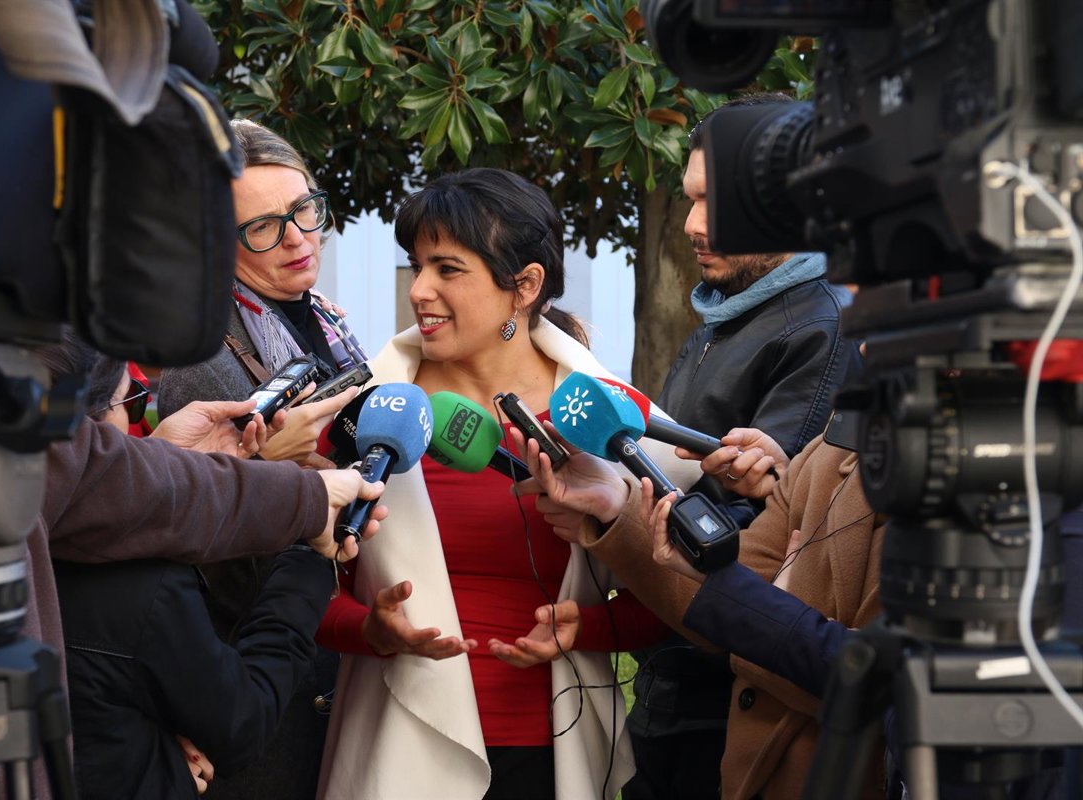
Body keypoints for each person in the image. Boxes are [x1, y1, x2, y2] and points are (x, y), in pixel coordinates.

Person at [314, 168, 698, 800]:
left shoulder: (606, 416)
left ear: (526, 285)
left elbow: (677, 594)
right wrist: (367, 630)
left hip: (553, 756)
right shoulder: (364, 411)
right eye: (418, 265)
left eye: (448, 269)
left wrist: (588, 628)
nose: (420, 289)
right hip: (395, 753)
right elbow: (296, 591)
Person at [627, 93, 862, 800]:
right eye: (691, 198)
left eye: (719, 204)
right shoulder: (727, 312)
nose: (693, 225)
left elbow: (771, 538)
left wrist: (624, 511)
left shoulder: (821, 326)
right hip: (675, 674)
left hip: (731, 701)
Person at [508, 411, 887, 800]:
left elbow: (873, 684)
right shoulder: (830, 448)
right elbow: (723, 606)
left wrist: (754, 621)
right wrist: (616, 505)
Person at [156, 119, 368, 799]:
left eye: (304, 210)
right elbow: (193, 553)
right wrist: (273, 477)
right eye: (264, 228)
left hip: (338, 655)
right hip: (262, 682)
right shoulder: (197, 355)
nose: (299, 238)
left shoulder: (326, 319)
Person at [52, 351, 339, 799]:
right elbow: (240, 723)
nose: (136, 423)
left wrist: (166, 461)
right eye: (132, 403)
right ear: (91, 425)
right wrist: (311, 554)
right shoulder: (143, 584)